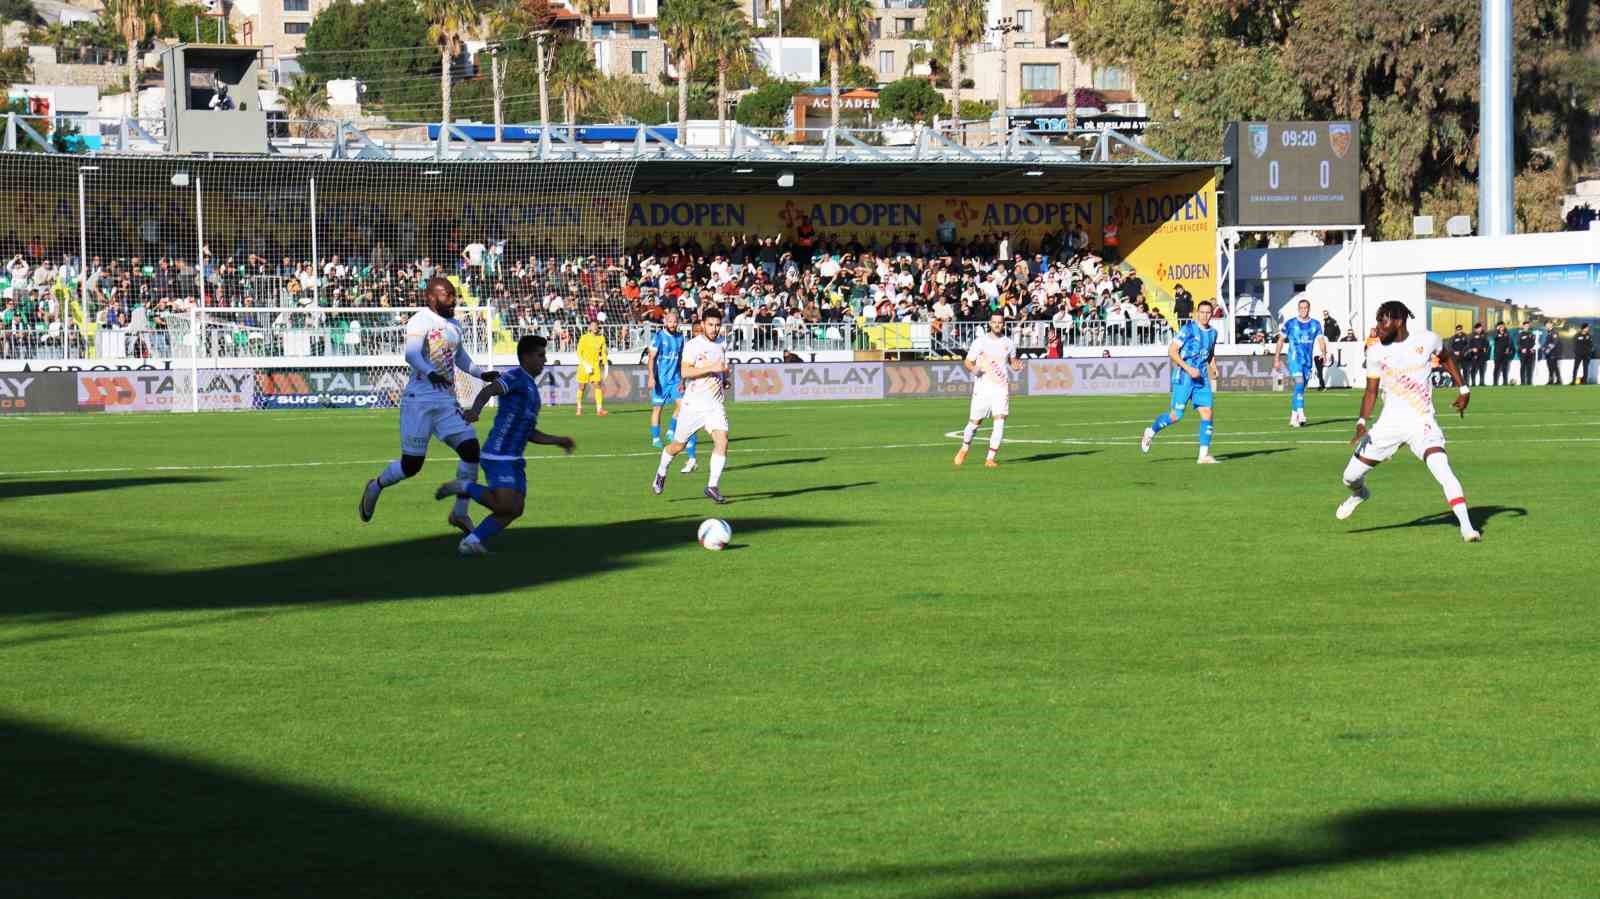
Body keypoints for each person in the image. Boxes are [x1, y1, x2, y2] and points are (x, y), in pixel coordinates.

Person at [360, 278, 497, 534]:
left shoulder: (455, 325)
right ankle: (376, 485)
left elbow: (460, 357)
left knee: (470, 449)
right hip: (419, 402)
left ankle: (459, 514)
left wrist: (480, 374)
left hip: (446, 402)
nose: (454, 300)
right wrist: (429, 372)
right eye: (448, 295)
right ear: (432, 298)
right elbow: (411, 354)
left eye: (454, 295)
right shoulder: (420, 320)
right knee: (411, 466)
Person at [1336, 300, 1479, 542]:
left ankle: (1468, 527)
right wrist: (1361, 422)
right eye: (1378, 321)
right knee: (1349, 477)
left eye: (1384, 321)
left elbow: (1446, 358)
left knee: (1442, 469)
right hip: (1388, 425)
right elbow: (1371, 391)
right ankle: (1360, 494)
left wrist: (1463, 389)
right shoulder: (1375, 351)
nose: (1378, 326)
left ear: (1399, 322)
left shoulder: (1427, 340)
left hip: (1421, 422)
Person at [435, 335, 574, 556]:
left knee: (515, 510)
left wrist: (558, 441)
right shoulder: (515, 377)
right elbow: (490, 390)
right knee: (504, 505)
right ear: (526, 357)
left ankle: (471, 541)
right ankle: (462, 487)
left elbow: (529, 432)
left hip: (515, 460)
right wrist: (476, 411)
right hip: (498, 454)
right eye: (540, 355)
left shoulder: (532, 392)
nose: (544, 360)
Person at [652, 307, 731, 503]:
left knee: (722, 441)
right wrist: (712, 368)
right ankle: (661, 471)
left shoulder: (722, 343)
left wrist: (724, 377)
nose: (714, 329)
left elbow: (721, 367)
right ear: (702, 324)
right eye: (711, 325)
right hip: (693, 405)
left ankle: (712, 486)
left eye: (717, 325)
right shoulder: (693, 345)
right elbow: (685, 372)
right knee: (678, 446)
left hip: (715, 404)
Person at [1141, 300, 1221, 464]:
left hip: (1201, 379)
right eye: (1202, 312)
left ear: (1212, 314)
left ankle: (1203, 456)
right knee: (1176, 416)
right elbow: (1172, 351)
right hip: (1184, 377)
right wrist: (1188, 368)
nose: (1205, 315)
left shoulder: (1213, 333)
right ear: (1197, 313)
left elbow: (1210, 353)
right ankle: (1151, 431)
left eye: (1208, 312)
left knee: (1207, 413)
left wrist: (1214, 367)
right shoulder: (1188, 329)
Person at [954, 313, 1022, 468]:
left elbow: (1012, 363)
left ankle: (990, 458)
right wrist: (975, 370)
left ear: (1003, 324)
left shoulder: (1009, 343)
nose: (997, 324)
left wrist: (1016, 367)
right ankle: (965, 447)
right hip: (983, 387)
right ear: (990, 323)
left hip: (1001, 387)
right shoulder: (980, 342)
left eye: (1000, 322)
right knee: (974, 423)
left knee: (1000, 421)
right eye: (995, 322)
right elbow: (968, 362)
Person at [645, 308, 700, 472]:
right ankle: (655, 438)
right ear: (665, 322)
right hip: (661, 379)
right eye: (670, 321)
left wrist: (683, 379)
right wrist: (651, 376)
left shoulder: (680, 338)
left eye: (675, 322)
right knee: (658, 408)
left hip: (676, 379)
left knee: (683, 406)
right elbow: (651, 358)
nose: (673, 324)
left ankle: (671, 430)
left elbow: (682, 360)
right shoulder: (659, 337)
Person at [1273, 298, 1325, 427]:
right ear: (1298, 309)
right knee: (1299, 382)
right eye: (1301, 308)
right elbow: (1280, 341)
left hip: (1307, 361)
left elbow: (1320, 340)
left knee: (1300, 389)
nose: (1303, 310)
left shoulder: (1315, 324)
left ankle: (1293, 416)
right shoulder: (1290, 323)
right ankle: (1301, 413)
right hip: (1294, 359)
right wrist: (1276, 358)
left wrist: (1324, 353)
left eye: (1305, 307)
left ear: (1309, 309)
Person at [574, 319, 609, 415]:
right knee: (582, 386)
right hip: (584, 365)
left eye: (596, 325)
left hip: (595, 365)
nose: (594, 327)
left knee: (597, 385)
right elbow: (578, 352)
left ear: (598, 327)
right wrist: (585, 364)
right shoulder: (584, 338)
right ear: (589, 327)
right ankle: (579, 408)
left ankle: (599, 409)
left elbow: (604, 353)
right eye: (592, 325)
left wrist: (606, 365)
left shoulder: (601, 338)